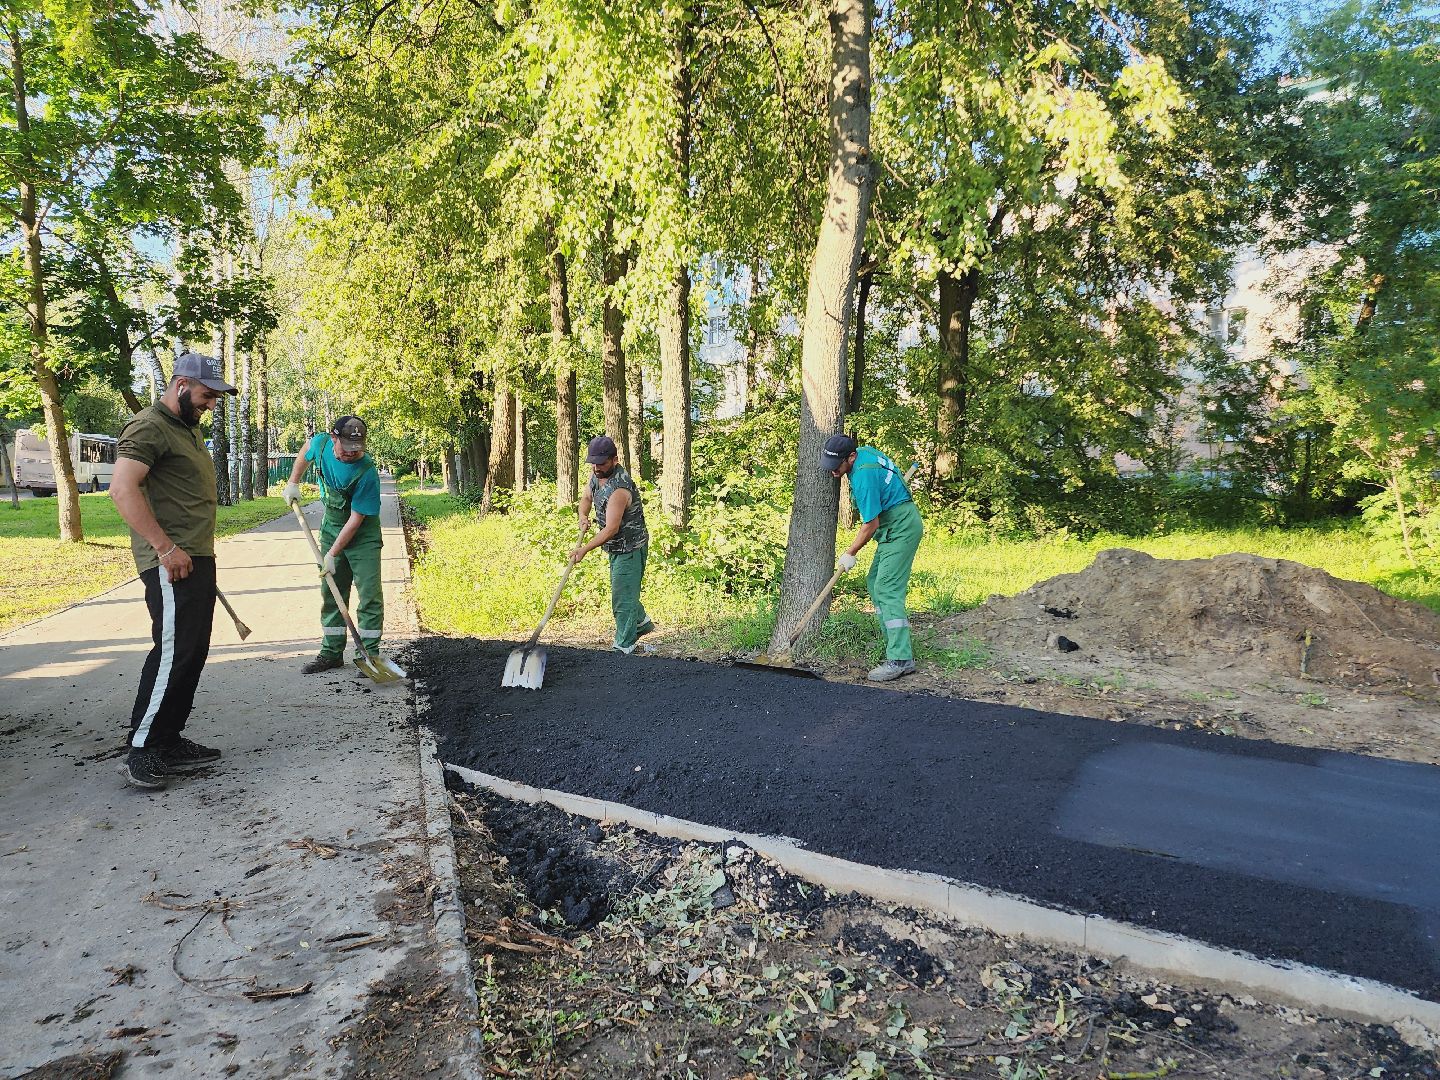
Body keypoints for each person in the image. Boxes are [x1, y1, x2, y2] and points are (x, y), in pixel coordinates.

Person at [110, 352, 236, 789]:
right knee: (172, 652)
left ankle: (167, 739)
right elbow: (122, 489)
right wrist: (165, 548)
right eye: (206, 395)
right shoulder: (150, 426)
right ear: (181, 385)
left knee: (190, 651)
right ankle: (141, 749)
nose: (210, 404)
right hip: (171, 561)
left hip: (194, 557)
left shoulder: (187, 429)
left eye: (215, 398)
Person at [283, 416, 384, 673]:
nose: (352, 454)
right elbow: (306, 450)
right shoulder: (321, 444)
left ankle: (369, 657)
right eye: (346, 448)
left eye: (357, 448)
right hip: (331, 528)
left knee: (369, 595)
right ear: (333, 438)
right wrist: (293, 482)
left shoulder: (366, 471)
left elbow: (356, 519)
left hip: (363, 537)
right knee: (331, 592)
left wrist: (331, 554)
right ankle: (331, 653)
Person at [821, 433, 924, 682]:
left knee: (886, 588)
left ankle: (900, 659)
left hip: (900, 529)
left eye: (837, 467)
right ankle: (893, 645)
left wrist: (849, 553)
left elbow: (870, 524)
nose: (833, 472)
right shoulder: (865, 453)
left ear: (851, 457)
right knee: (874, 582)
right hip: (893, 525)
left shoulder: (863, 476)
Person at [571, 435, 654, 654]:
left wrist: (584, 549)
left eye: (602, 463)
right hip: (615, 548)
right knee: (623, 591)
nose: (597, 468)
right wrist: (583, 515)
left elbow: (610, 529)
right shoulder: (596, 475)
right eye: (594, 463)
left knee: (622, 599)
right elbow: (587, 499)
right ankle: (641, 622)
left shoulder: (619, 488)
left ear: (614, 460)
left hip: (630, 547)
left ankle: (624, 646)